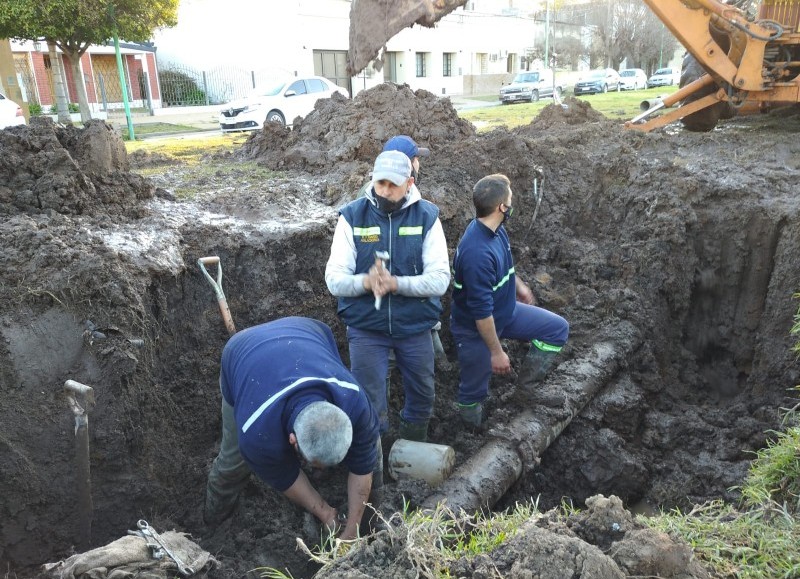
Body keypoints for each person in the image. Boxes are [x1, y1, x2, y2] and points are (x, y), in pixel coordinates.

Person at [203, 317, 381, 541]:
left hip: (308, 330)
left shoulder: (355, 400)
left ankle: (376, 507)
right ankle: (211, 524)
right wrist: (324, 512)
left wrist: (353, 528)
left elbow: (364, 462)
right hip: (241, 352)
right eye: (312, 464)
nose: (319, 472)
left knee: (372, 445)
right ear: (292, 440)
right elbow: (286, 476)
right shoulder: (256, 435)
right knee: (232, 462)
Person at [325, 149, 450, 443]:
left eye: (393, 185)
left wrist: (396, 284)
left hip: (415, 326)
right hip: (367, 328)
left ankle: (411, 455)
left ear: (409, 182)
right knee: (369, 403)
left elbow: (440, 279)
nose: (385, 191)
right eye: (380, 183)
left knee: (422, 396)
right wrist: (366, 282)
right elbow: (334, 279)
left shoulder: (427, 216)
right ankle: (375, 472)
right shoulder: (352, 216)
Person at [450, 173, 569, 428]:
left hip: (506, 312)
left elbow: (502, 265)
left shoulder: (495, 229)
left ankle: (526, 390)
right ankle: (473, 432)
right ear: (502, 207)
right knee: (473, 393)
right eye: (510, 200)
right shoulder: (476, 253)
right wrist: (496, 352)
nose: (512, 203)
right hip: (475, 331)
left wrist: (520, 286)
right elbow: (481, 314)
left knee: (557, 329)